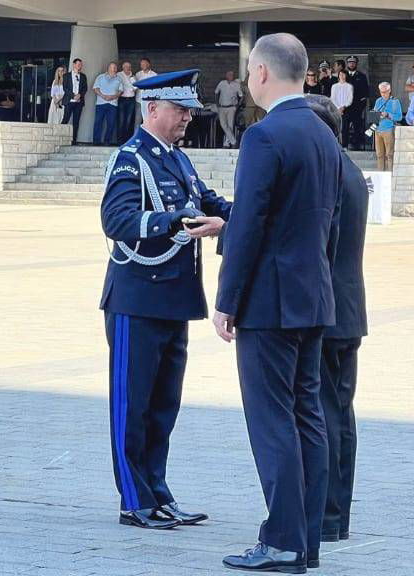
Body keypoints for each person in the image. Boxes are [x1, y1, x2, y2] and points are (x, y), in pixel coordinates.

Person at [215, 33, 340, 574]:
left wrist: (226, 299)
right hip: (313, 296)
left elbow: (249, 225)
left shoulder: (264, 137)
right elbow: (327, 224)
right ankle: (305, 539)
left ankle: (283, 540)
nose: (247, 81)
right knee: (307, 416)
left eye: (249, 71)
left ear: (262, 72)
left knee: (272, 423)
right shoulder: (322, 134)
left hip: (269, 301)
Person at [101, 68, 231, 531]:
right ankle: (134, 500)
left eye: (189, 112)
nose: (187, 120)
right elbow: (116, 220)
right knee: (132, 406)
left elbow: (210, 202)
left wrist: (247, 216)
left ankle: (157, 492)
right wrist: (174, 220)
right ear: (152, 109)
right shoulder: (131, 160)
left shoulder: (177, 159)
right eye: (180, 111)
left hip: (173, 299)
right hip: (137, 297)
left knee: (162, 407)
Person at [304, 94, 369, 546]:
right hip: (347, 308)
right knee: (339, 415)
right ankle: (335, 515)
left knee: (326, 414)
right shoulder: (348, 168)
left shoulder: (329, 172)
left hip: (327, 312)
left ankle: (327, 515)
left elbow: (316, 241)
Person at [372, 82, 403, 171]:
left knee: (389, 154)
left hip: (388, 129)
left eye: (385, 92)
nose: (383, 94)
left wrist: (388, 115)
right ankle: (381, 174)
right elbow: (374, 113)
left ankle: (390, 175)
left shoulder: (395, 101)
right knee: (379, 154)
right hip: (378, 130)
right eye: (381, 92)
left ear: (389, 91)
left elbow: (399, 117)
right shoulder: (378, 101)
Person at [92, 61, 123, 145]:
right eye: (113, 67)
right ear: (108, 68)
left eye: (115, 67)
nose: (114, 69)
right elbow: (95, 88)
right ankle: (96, 141)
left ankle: (107, 141)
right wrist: (103, 96)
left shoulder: (119, 78)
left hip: (113, 104)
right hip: (101, 103)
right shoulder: (100, 77)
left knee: (111, 123)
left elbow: (120, 91)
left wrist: (113, 96)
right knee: (98, 122)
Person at [344, 56, 369, 150]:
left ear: (356, 64)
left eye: (353, 62)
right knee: (345, 127)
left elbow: (365, 92)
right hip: (345, 106)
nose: (351, 64)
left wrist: (361, 106)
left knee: (357, 127)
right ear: (347, 64)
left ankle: (356, 145)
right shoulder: (343, 75)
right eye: (350, 62)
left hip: (357, 106)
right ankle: (345, 145)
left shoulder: (361, 76)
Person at [61, 58, 88, 144]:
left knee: (76, 122)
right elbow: (65, 88)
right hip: (69, 101)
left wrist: (80, 95)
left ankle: (74, 140)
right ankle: (60, 138)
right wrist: (73, 95)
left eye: (81, 64)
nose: (80, 66)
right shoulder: (66, 76)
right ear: (74, 64)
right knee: (65, 119)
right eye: (78, 64)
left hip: (79, 103)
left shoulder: (83, 76)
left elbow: (85, 88)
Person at [215, 70, 244, 148]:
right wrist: (217, 103)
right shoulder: (222, 83)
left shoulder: (236, 85)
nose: (231, 76)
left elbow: (241, 96)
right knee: (223, 125)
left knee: (230, 125)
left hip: (231, 107)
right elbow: (216, 93)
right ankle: (233, 141)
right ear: (226, 76)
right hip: (222, 107)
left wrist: (237, 105)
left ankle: (226, 143)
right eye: (229, 75)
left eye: (232, 75)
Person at [330, 70, 353, 147]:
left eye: (344, 74)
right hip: (336, 110)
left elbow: (350, 99)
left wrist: (343, 107)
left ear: (346, 75)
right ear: (338, 76)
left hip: (346, 110)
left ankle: (344, 145)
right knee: (336, 127)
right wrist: (338, 108)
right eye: (340, 74)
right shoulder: (334, 86)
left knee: (345, 128)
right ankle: (335, 145)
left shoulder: (349, 86)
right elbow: (333, 98)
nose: (342, 76)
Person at [117, 61, 137, 142]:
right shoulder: (119, 75)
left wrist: (131, 78)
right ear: (123, 67)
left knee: (129, 120)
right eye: (126, 66)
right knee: (121, 120)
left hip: (131, 100)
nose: (127, 68)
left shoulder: (133, 76)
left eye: (129, 66)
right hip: (122, 99)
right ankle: (119, 140)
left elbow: (135, 88)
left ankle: (126, 140)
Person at [134, 57, 157, 125]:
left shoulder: (154, 75)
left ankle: (147, 135)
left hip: (149, 102)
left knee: (148, 122)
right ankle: (136, 135)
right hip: (139, 101)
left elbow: (156, 88)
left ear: (148, 64)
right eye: (141, 64)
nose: (143, 65)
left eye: (144, 64)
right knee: (137, 121)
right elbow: (134, 87)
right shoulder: (138, 74)